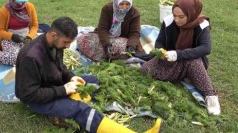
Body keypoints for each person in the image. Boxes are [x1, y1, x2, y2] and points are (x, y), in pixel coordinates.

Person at [15, 17, 162, 133]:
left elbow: (61, 68)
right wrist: (63, 90)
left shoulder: (55, 43)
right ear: (54, 35)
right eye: (66, 42)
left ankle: (64, 108)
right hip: (37, 99)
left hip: (54, 84)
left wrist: (71, 77)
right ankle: (74, 109)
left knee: (92, 80)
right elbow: (28, 94)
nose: (68, 46)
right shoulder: (31, 57)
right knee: (81, 110)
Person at [142, 0, 221, 115]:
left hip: (191, 60)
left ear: (191, 14)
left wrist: (179, 54)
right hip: (170, 58)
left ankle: (210, 95)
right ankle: (181, 75)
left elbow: (206, 48)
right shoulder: (168, 22)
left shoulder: (201, 25)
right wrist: (162, 52)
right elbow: (159, 41)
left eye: (181, 17)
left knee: (193, 61)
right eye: (174, 15)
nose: (177, 20)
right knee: (145, 69)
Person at [77, 0, 151, 62]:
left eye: (127, 4)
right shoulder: (107, 8)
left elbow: (135, 33)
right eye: (121, 4)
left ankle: (109, 57)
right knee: (82, 40)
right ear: (116, 2)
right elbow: (102, 29)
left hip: (122, 39)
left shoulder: (134, 13)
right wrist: (107, 45)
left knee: (125, 48)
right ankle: (112, 56)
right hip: (105, 37)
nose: (124, 7)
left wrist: (131, 46)